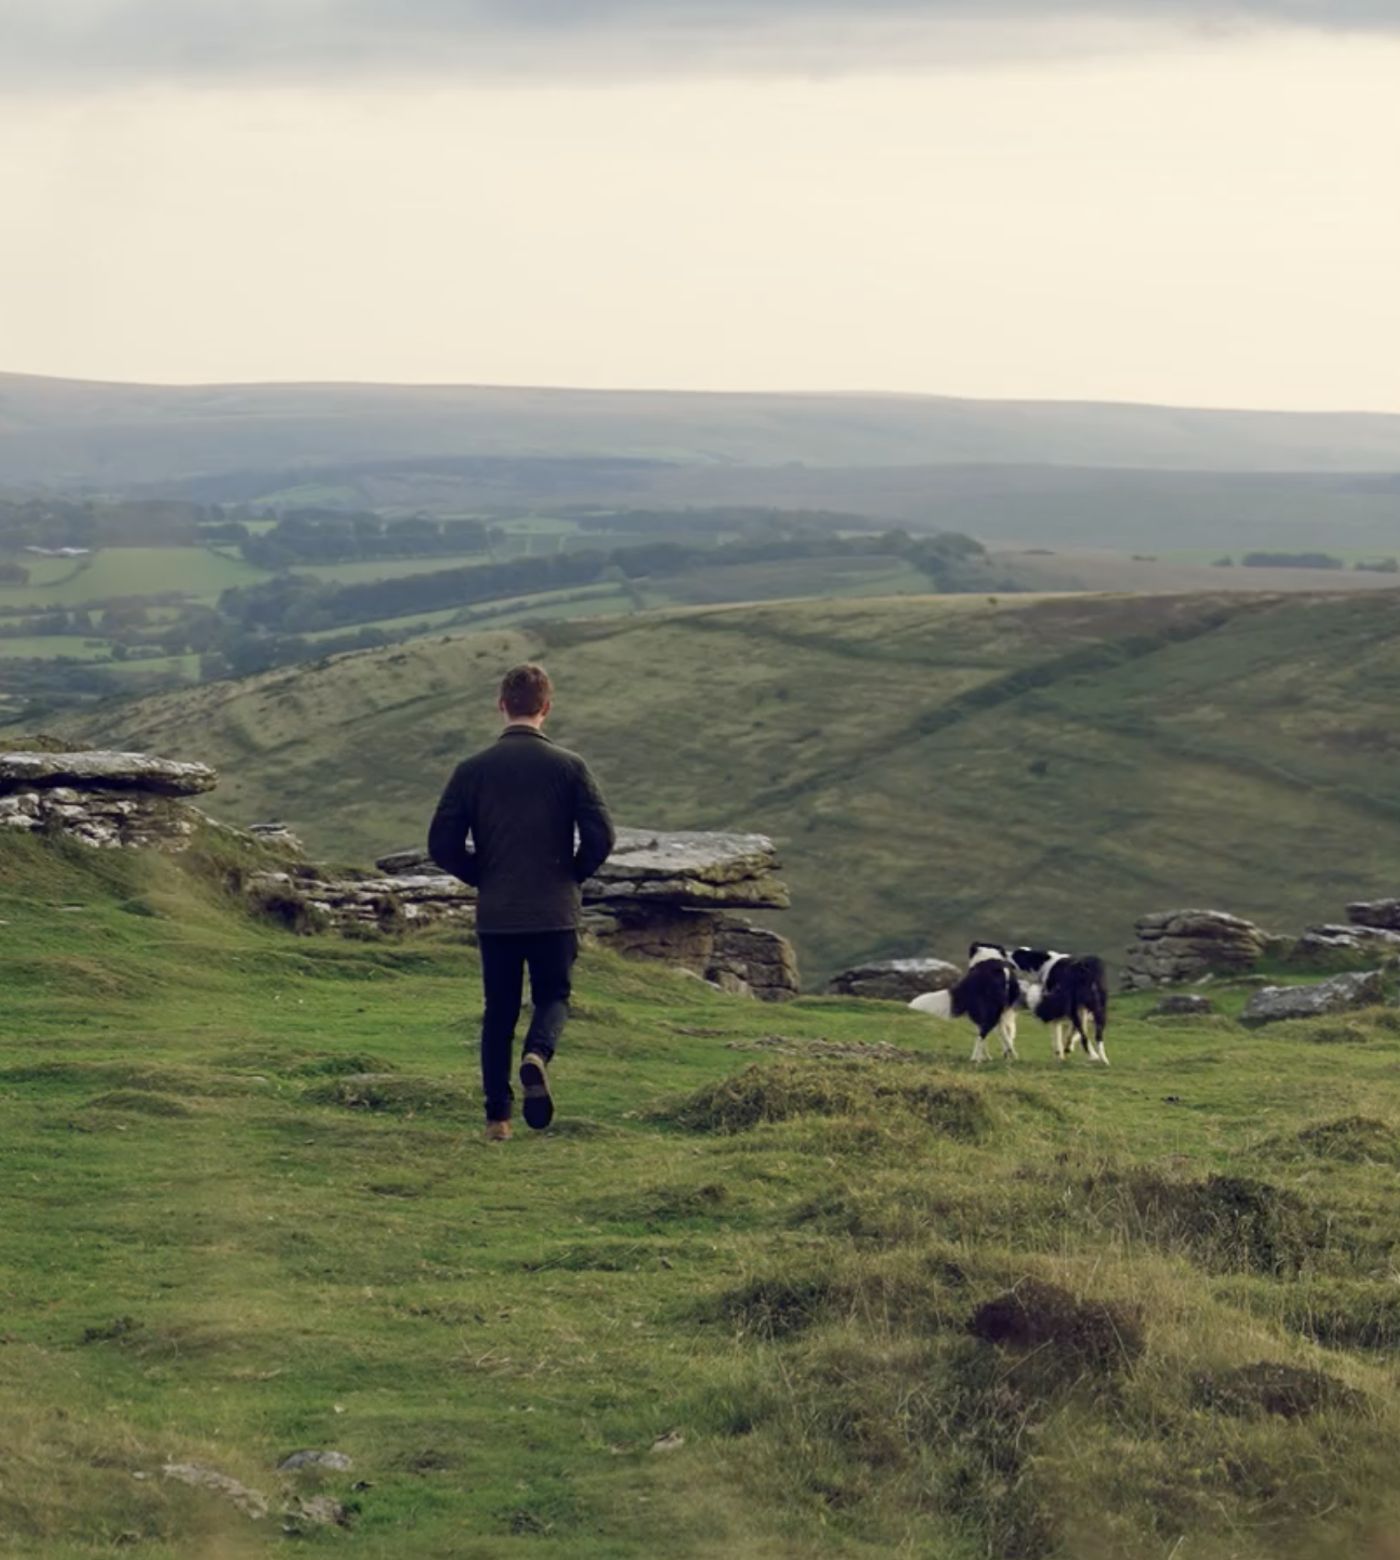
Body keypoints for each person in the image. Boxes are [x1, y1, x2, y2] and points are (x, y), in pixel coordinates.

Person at [427, 663, 615, 1142]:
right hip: (554, 910)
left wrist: (482, 875)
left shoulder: (471, 771)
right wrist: (572, 874)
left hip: (498, 914)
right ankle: (537, 1055)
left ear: (502, 705)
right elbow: (601, 836)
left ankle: (498, 1119)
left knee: (499, 1012)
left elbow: (441, 844)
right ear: (546, 708)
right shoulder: (570, 768)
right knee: (553, 996)